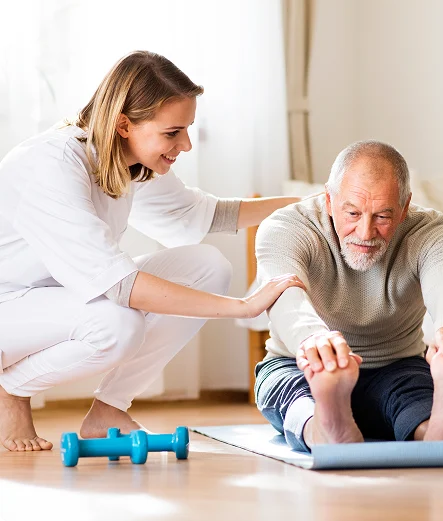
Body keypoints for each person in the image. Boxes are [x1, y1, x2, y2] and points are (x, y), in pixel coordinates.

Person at [0, 50, 306, 452]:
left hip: (53, 298)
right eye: (173, 132)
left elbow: (205, 214)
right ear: (124, 124)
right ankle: (9, 389)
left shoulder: (127, 160)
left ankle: (109, 409)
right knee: (117, 326)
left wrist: (313, 204)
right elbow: (119, 284)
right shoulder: (53, 163)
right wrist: (243, 307)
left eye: (187, 129)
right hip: (10, 305)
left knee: (207, 265)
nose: (187, 144)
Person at [254, 140, 443, 452]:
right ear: (328, 199)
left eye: (382, 216)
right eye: (352, 212)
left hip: (397, 368)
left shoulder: (433, 233)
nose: (365, 232)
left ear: (405, 206)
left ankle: (440, 430)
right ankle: (324, 426)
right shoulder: (285, 227)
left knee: (413, 397)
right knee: (294, 398)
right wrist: (314, 342)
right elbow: (286, 297)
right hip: (300, 365)